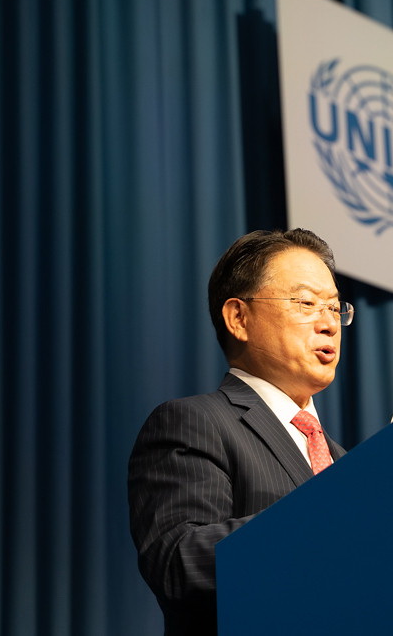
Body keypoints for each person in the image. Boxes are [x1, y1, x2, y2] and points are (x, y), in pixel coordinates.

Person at [127, 228, 351, 635]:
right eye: (306, 303)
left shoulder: (345, 464)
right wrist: (324, 520)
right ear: (239, 318)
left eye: (336, 309)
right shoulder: (196, 423)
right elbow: (178, 562)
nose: (329, 324)